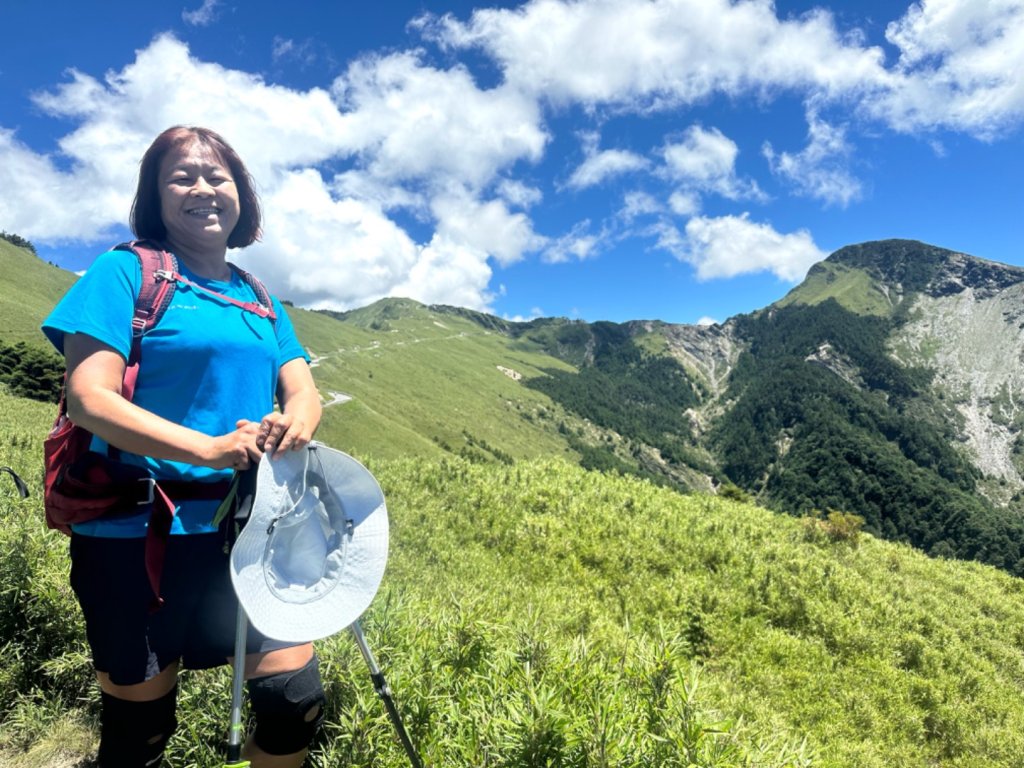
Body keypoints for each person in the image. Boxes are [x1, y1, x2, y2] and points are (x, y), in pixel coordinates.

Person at [42, 126, 325, 768]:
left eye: (217, 175)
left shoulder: (259, 296)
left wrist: (299, 420)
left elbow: (302, 389)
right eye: (182, 176)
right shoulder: (122, 273)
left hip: (251, 536)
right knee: (140, 734)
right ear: (157, 196)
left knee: (294, 702)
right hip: (135, 538)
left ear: (240, 195)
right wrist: (207, 448)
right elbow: (90, 397)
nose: (203, 187)